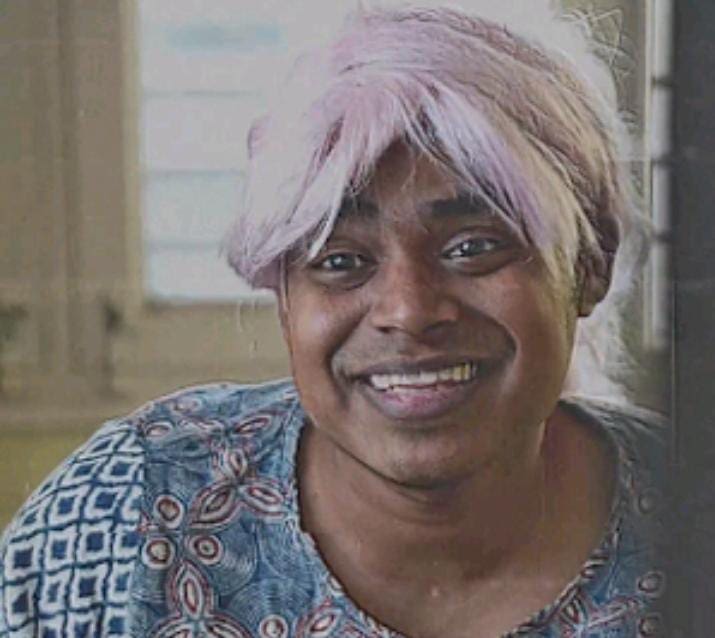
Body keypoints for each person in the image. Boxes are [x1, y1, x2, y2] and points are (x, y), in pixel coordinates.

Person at [0, 2, 668, 636]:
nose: (408, 311)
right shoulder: (129, 511)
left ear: (590, 265)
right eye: (341, 260)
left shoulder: (687, 515)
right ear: (285, 298)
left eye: (472, 247)